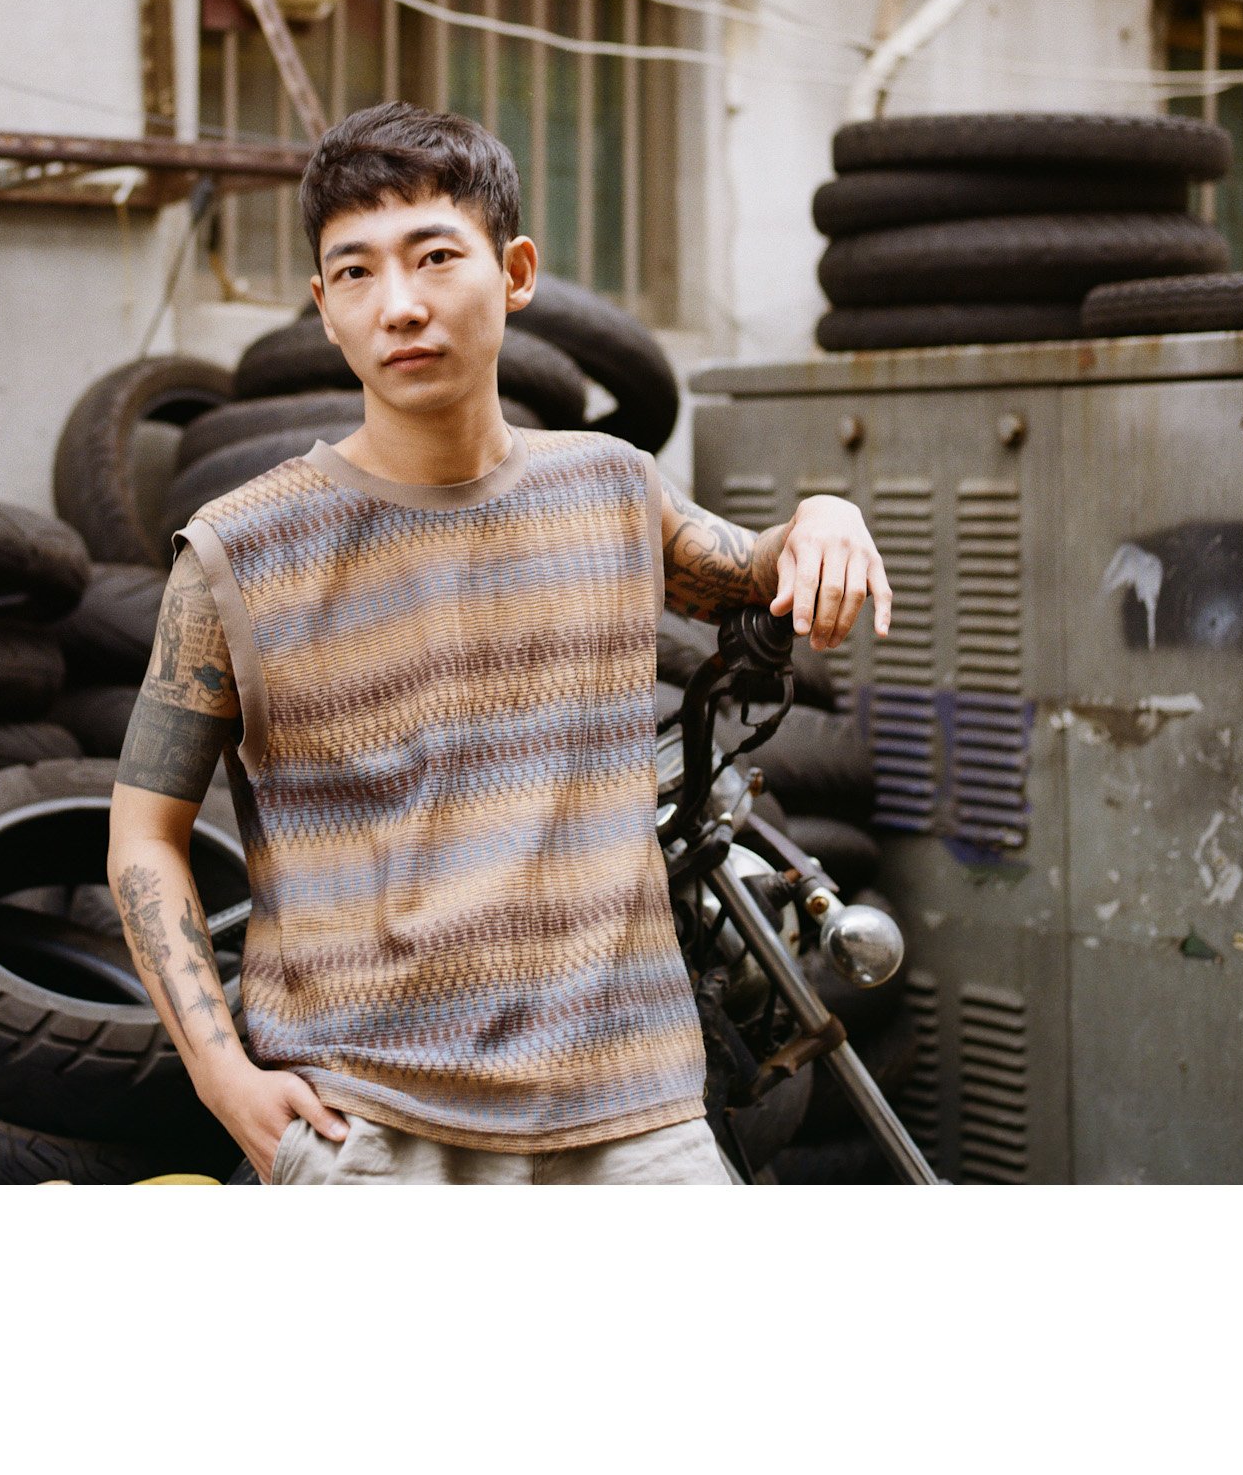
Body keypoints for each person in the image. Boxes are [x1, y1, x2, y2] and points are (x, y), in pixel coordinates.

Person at [107, 103, 891, 1185]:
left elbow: (756, 569)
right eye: (355, 273)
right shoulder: (239, 552)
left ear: (514, 270)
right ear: (323, 307)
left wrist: (823, 515)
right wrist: (218, 1071)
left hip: (638, 1115)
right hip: (370, 1125)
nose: (401, 305)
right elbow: (145, 834)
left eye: (435, 256)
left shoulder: (610, 488)